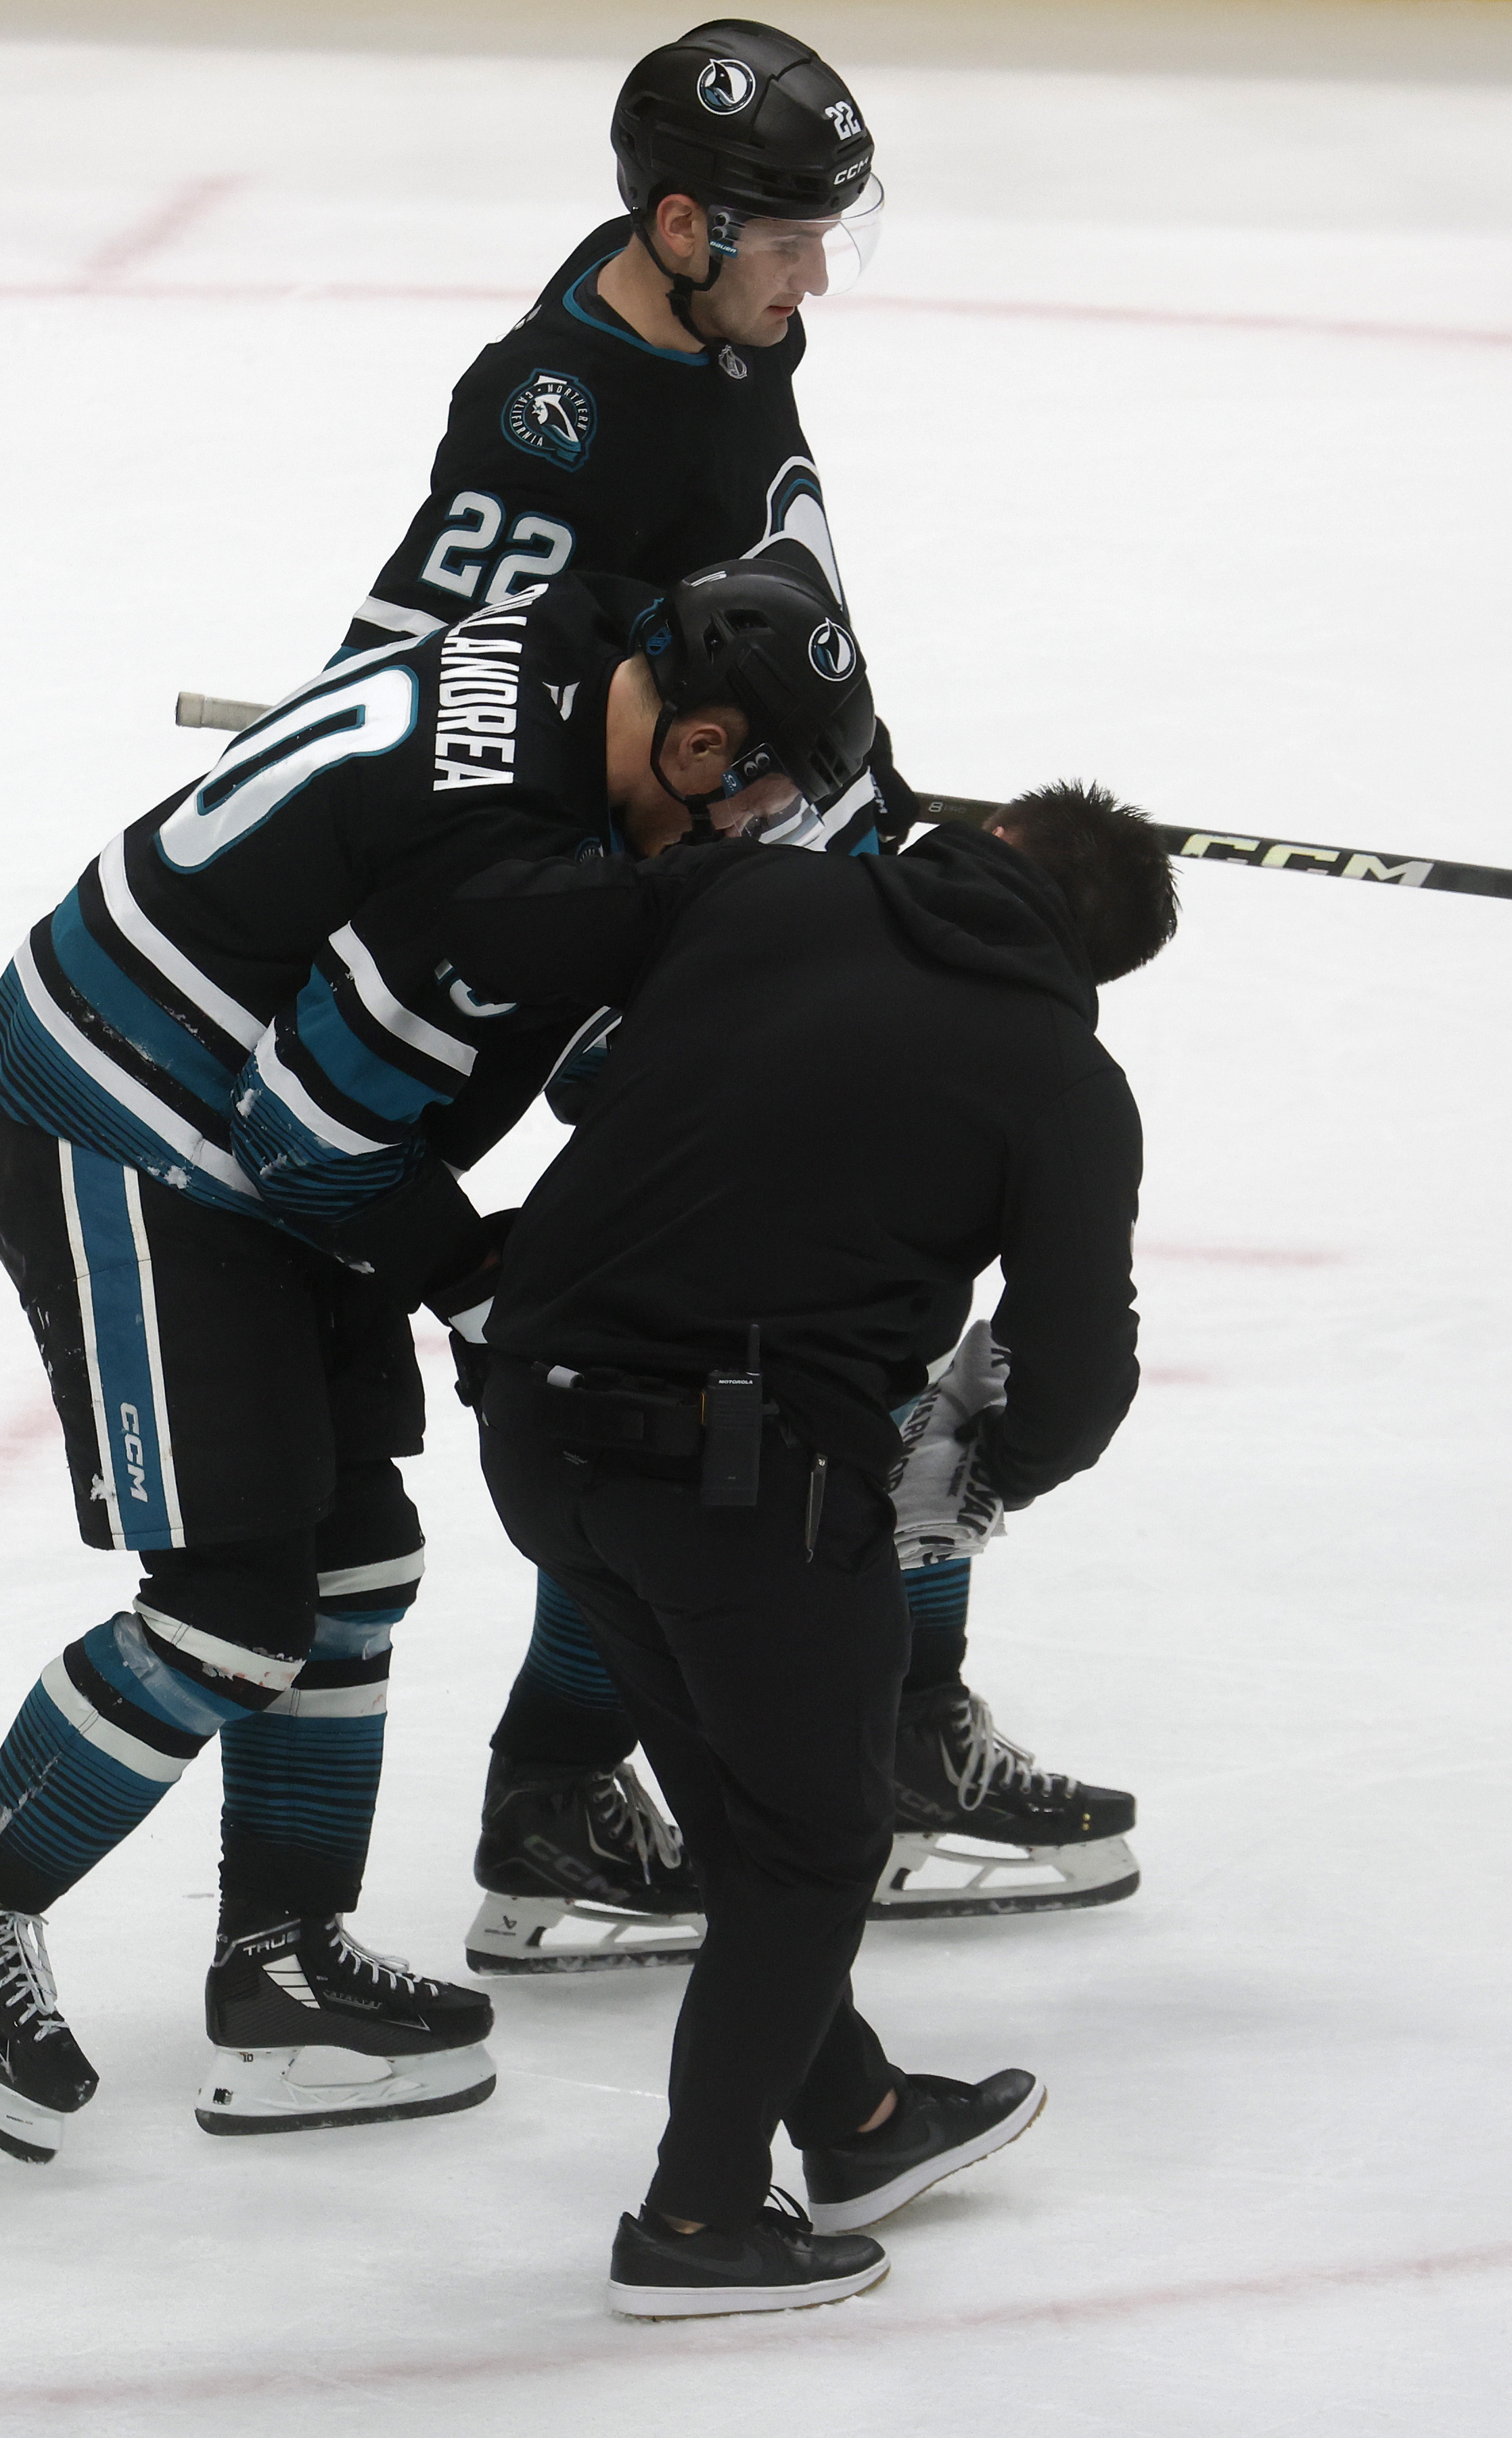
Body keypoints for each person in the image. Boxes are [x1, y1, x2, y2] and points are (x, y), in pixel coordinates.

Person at [0, 557, 876, 2153]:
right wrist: (473, 1280)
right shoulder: (497, 880)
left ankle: (283, 1967)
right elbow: (316, 1135)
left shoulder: (573, 657)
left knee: (353, 1567)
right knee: (232, 1603)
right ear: (699, 745)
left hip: (234, 1114)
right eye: (761, 790)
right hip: (132, 1127)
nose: (753, 829)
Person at [327, 14, 1141, 1977]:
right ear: (681, 223)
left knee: (869, 1317)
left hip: (827, 877)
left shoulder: (726, 327)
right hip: (701, 935)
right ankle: (688, 1770)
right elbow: (429, 694)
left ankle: (746, 1747)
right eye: (785, 240)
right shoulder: (554, 410)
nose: (815, 280)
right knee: (781, 1353)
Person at [445, 748, 1176, 2312]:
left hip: (534, 1428)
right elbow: (1079, 1369)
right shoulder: (1058, 1075)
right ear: (1094, 965)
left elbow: (569, 956)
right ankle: (697, 2223)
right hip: (734, 1480)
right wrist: (987, 1477)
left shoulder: (763, 891)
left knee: (740, 1803)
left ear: (980, 836)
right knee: (818, 1842)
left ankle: (854, 2116)